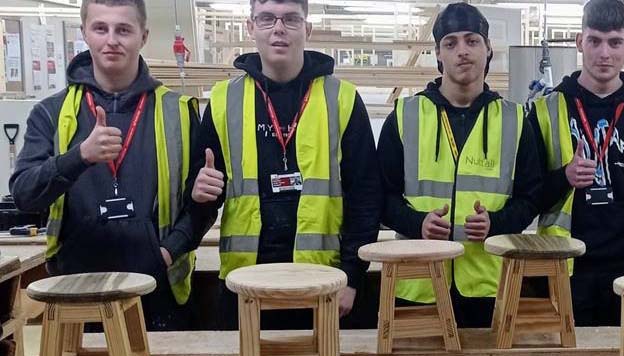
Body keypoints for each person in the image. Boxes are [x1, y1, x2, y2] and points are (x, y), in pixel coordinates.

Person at [10, 0, 206, 330]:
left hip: (157, 288)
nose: (112, 39)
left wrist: (167, 252)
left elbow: (202, 204)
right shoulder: (51, 113)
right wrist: (78, 157)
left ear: (143, 36)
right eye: (101, 28)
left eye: (124, 30)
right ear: (85, 32)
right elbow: (24, 195)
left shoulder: (179, 111)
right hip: (74, 290)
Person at [188, 0, 381, 328]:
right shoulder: (223, 100)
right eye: (266, 19)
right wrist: (200, 191)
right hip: (245, 281)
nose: (278, 28)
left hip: (323, 281)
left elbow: (365, 196)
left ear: (307, 29)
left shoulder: (342, 99)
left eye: (291, 19)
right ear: (250, 28)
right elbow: (204, 193)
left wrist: (351, 276)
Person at [376, 3, 544, 328]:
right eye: (450, 43)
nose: (462, 51)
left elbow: (531, 198)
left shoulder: (515, 120)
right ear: (438, 54)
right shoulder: (405, 116)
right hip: (417, 283)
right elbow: (380, 197)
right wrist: (416, 224)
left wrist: (496, 223)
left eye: (472, 40)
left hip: (488, 285)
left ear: (488, 48)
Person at [531, 0, 624, 326]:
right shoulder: (545, 110)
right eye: (594, 41)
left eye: (614, 42)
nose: (604, 53)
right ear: (580, 42)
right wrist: (563, 176)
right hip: (565, 266)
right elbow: (527, 196)